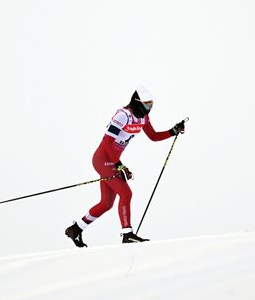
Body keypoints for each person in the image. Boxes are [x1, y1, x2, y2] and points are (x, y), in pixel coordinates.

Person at [65, 86, 185, 247]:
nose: (150, 108)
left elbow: (154, 136)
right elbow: (108, 143)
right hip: (103, 159)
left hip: (112, 161)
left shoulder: (143, 119)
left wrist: (173, 131)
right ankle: (127, 234)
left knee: (106, 203)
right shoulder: (123, 115)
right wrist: (119, 165)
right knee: (126, 193)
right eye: (147, 104)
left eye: (152, 104)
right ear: (137, 102)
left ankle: (76, 228)